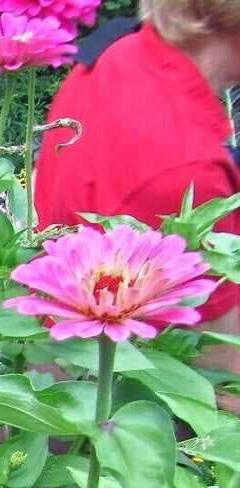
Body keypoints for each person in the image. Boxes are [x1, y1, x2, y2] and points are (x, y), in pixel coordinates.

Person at [33, 0, 240, 413]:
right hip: (113, 406)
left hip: (48, 369)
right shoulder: (189, 169)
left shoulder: (115, 54)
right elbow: (225, 374)